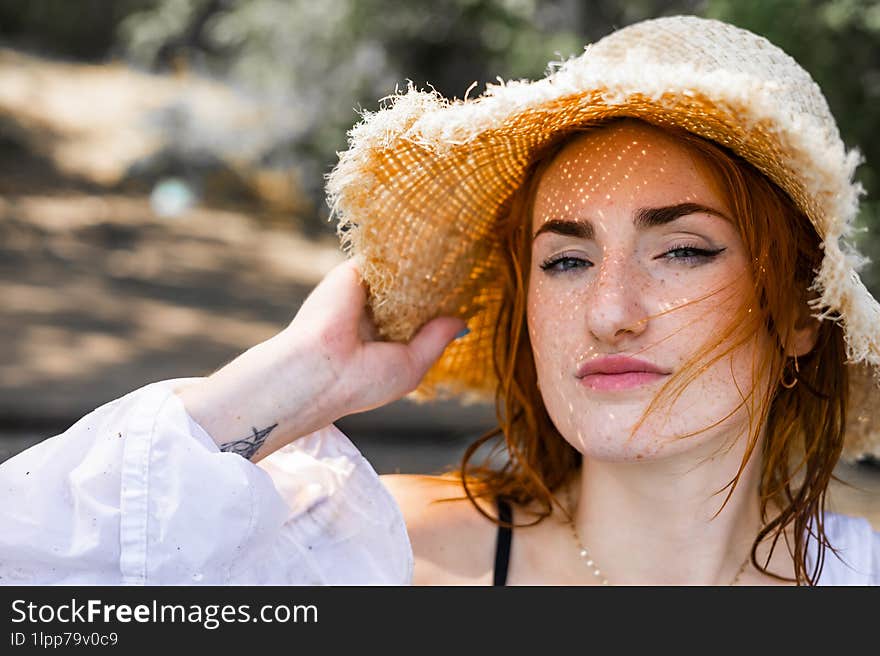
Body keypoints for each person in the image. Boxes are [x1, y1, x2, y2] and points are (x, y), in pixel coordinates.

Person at [2, 15, 878, 585]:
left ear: (799, 313)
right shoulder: (372, 559)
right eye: (566, 262)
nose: (612, 309)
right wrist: (295, 381)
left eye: (682, 250)